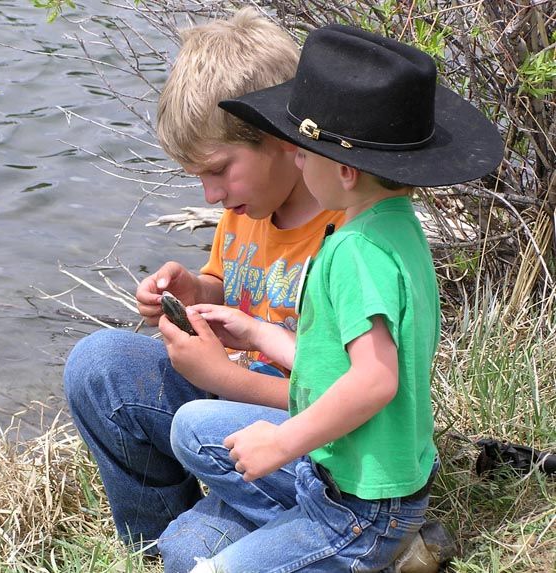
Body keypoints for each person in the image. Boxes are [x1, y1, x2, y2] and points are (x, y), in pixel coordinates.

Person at [159, 24, 503, 572]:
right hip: (366, 477)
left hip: (358, 504)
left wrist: (282, 443)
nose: (295, 162)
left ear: (342, 170)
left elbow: (374, 380)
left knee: (207, 568)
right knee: (192, 426)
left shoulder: (352, 253)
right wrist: (258, 333)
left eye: (302, 155)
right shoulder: (398, 230)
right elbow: (343, 364)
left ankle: (364, 552)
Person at [63, 6, 343, 566]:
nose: (211, 195)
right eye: (200, 178)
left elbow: (347, 395)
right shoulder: (251, 205)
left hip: (313, 438)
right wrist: (197, 291)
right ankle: (152, 538)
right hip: (225, 411)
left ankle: (341, 533)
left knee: (191, 553)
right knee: (96, 366)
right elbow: (232, 284)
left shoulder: (349, 240)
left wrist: (220, 378)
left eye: (219, 170)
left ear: (282, 138)